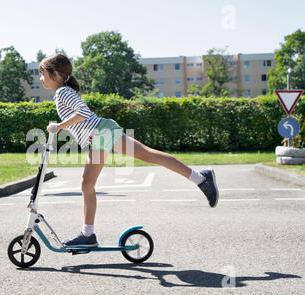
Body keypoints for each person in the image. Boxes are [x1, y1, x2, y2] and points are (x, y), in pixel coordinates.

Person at [39, 53, 219, 248]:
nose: (40, 78)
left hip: (101, 133)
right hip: (98, 135)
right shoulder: (63, 92)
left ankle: (87, 235)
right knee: (91, 182)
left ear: (55, 74)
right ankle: (200, 178)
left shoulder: (63, 92)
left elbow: (83, 113)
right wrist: (62, 127)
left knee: (93, 181)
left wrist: (59, 126)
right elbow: (80, 117)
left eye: (42, 73)